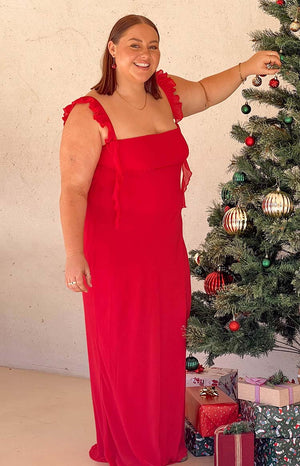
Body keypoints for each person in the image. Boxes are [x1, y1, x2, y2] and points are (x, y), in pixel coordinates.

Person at [59, 14, 280, 466]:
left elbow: (203, 91)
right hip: (115, 252)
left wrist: (245, 67)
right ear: (112, 49)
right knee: (127, 350)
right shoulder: (89, 112)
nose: (145, 54)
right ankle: (132, 448)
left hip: (165, 248)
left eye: (154, 46)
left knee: (163, 345)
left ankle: (160, 443)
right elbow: (73, 190)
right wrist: (73, 254)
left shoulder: (163, 91)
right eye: (135, 45)